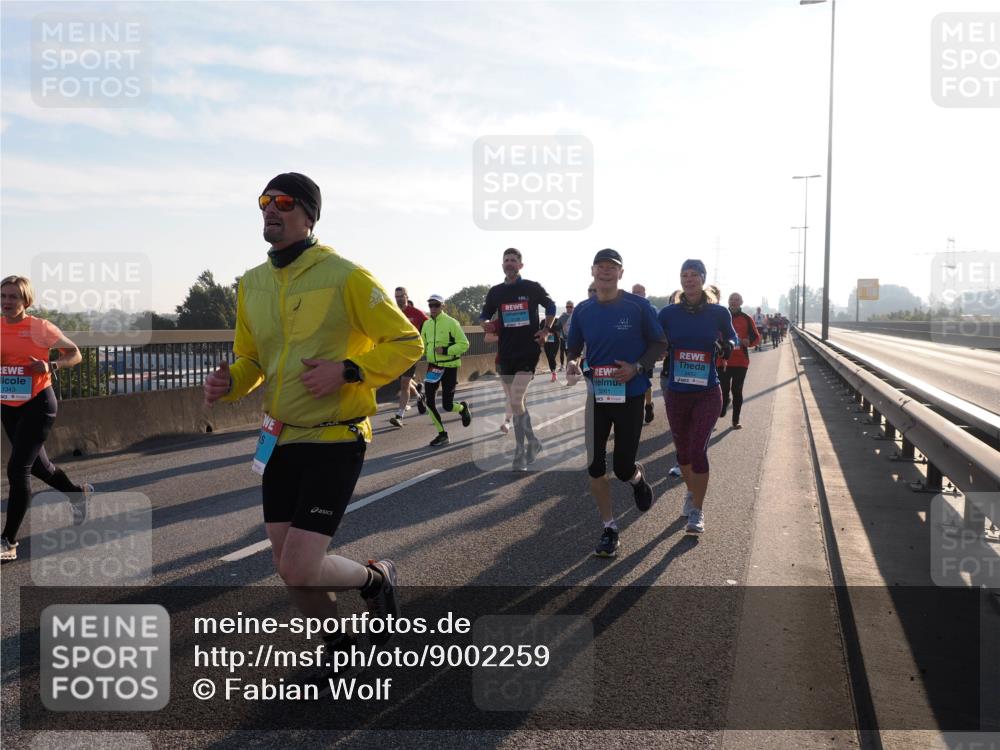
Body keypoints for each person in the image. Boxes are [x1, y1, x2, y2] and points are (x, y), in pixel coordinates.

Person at [203, 173, 423, 656]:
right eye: (265, 201)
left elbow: (408, 342)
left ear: (309, 215)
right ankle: (339, 646)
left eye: (284, 201)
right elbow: (252, 361)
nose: (270, 209)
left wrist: (348, 370)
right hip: (280, 437)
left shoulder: (345, 275)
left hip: (336, 437)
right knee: (287, 566)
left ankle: (375, 579)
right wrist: (230, 382)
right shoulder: (252, 284)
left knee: (300, 565)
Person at [566, 250, 667, 557]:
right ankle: (609, 528)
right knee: (595, 465)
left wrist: (637, 367)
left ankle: (637, 479)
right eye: (601, 267)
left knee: (622, 467)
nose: (606, 271)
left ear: (621, 273)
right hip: (597, 394)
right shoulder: (583, 310)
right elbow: (573, 347)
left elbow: (659, 343)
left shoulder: (638, 306)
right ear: (592, 271)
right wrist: (571, 362)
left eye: (612, 267)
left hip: (631, 394)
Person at [1, 275, 93, 561]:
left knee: (18, 469)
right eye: (3, 296)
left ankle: (8, 541)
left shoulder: (39, 327)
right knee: (40, 467)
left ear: (25, 300)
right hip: (8, 404)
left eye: (13, 297)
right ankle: (77, 493)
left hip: (38, 403)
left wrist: (51, 364)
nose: (6, 302)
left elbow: (74, 353)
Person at [658, 260, 738, 535]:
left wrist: (727, 345)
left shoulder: (718, 312)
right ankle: (692, 492)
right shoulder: (668, 313)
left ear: (703, 279)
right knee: (682, 453)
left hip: (707, 392)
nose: (689, 279)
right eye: (684, 275)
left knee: (697, 450)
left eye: (694, 275)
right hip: (677, 392)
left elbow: (733, 336)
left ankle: (697, 510)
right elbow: (653, 339)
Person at [479, 248, 556, 471]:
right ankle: (533, 442)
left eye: (513, 260)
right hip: (505, 354)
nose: (510, 263)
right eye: (506, 260)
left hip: (528, 352)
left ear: (520, 265)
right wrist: (484, 323)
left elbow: (551, 306)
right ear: (502, 265)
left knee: (515, 399)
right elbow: (485, 314)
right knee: (517, 403)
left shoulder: (531, 287)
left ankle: (520, 452)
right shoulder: (496, 292)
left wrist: (546, 330)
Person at [420, 295, 471, 447]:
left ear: (443, 306)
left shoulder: (451, 322)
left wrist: (446, 350)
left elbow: (464, 344)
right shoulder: (426, 324)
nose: (433, 308)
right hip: (433, 367)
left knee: (447, 406)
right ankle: (442, 434)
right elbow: (422, 345)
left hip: (449, 366)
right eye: (430, 305)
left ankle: (462, 408)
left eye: (436, 305)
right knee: (429, 401)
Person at [718, 292, 760, 429]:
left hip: (741, 361)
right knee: (723, 390)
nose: (734, 301)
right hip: (722, 360)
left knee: (737, 390)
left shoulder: (746, 318)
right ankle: (724, 403)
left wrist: (749, 341)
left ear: (741, 302)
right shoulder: (721, 316)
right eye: (731, 299)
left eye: (737, 300)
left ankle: (735, 420)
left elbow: (756, 337)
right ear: (728, 301)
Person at [388, 287, 428, 428]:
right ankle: (419, 396)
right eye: (396, 296)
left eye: (401, 296)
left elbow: (429, 325)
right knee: (404, 380)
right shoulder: (393, 311)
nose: (398, 299)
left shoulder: (416, 313)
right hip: (397, 353)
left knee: (404, 383)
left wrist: (424, 342)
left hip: (412, 353)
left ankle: (399, 415)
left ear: (406, 296)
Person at [631, 283, 658, 426]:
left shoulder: (651, 309)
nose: (636, 294)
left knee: (645, 381)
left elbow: (657, 332)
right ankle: (634, 411)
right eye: (634, 292)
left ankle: (648, 405)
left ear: (644, 294)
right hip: (630, 353)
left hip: (646, 354)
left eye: (639, 292)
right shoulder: (626, 309)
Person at [557, 301, 574, 371]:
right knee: (562, 351)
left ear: (573, 307)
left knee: (570, 353)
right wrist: (559, 334)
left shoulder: (576, 316)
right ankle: (562, 365)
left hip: (573, 338)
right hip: (563, 338)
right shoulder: (562, 316)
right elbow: (557, 326)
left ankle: (570, 366)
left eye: (570, 307)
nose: (568, 308)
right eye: (567, 306)